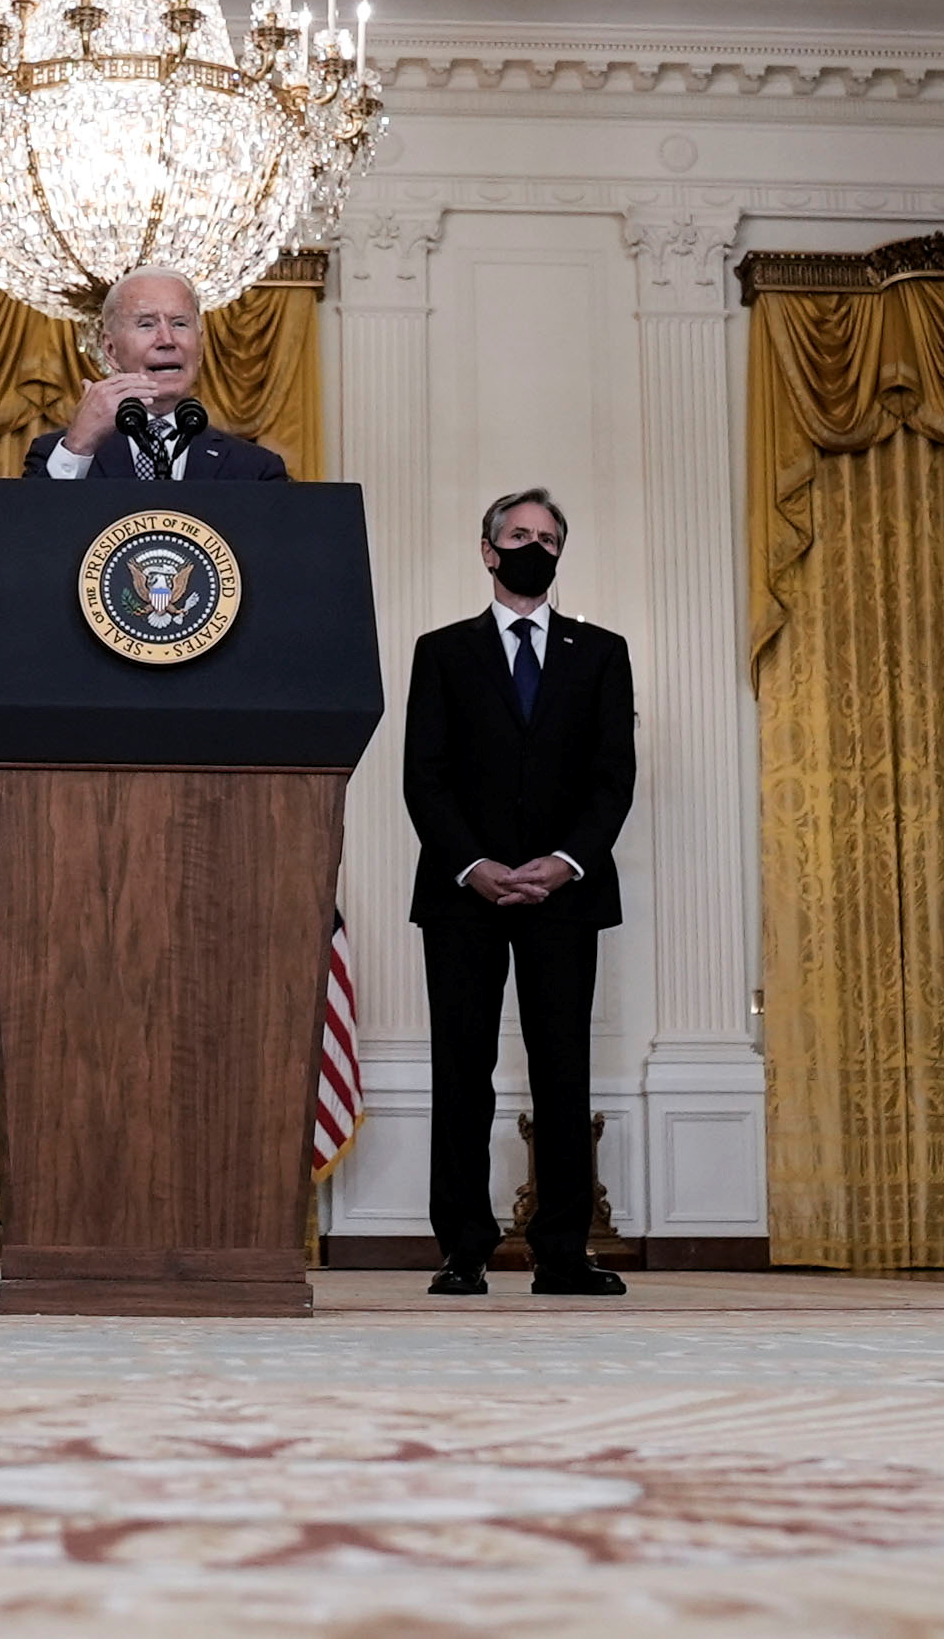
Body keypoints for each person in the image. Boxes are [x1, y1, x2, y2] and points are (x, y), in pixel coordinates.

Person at [401, 488, 636, 1299]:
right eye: (519, 534)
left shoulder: (601, 651)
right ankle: (463, 1248)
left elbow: (614, 778)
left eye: (548, 536)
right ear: (488, 550)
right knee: (462, 1070)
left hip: (566, 893)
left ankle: (563, 1252)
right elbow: (423, 778)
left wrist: (564, 859)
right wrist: (477, 864)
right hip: (463, 892)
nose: (534, 545)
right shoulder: (441, 651)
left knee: (563, 1069)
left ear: (559, 554)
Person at [24, 267, 289, 481]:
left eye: (179, 323)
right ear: (111, 350)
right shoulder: (56, 455)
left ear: (200, 347)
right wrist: (78, 447)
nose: (167, 339)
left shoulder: (256, 470)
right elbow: (26, 536)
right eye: (146, 324)